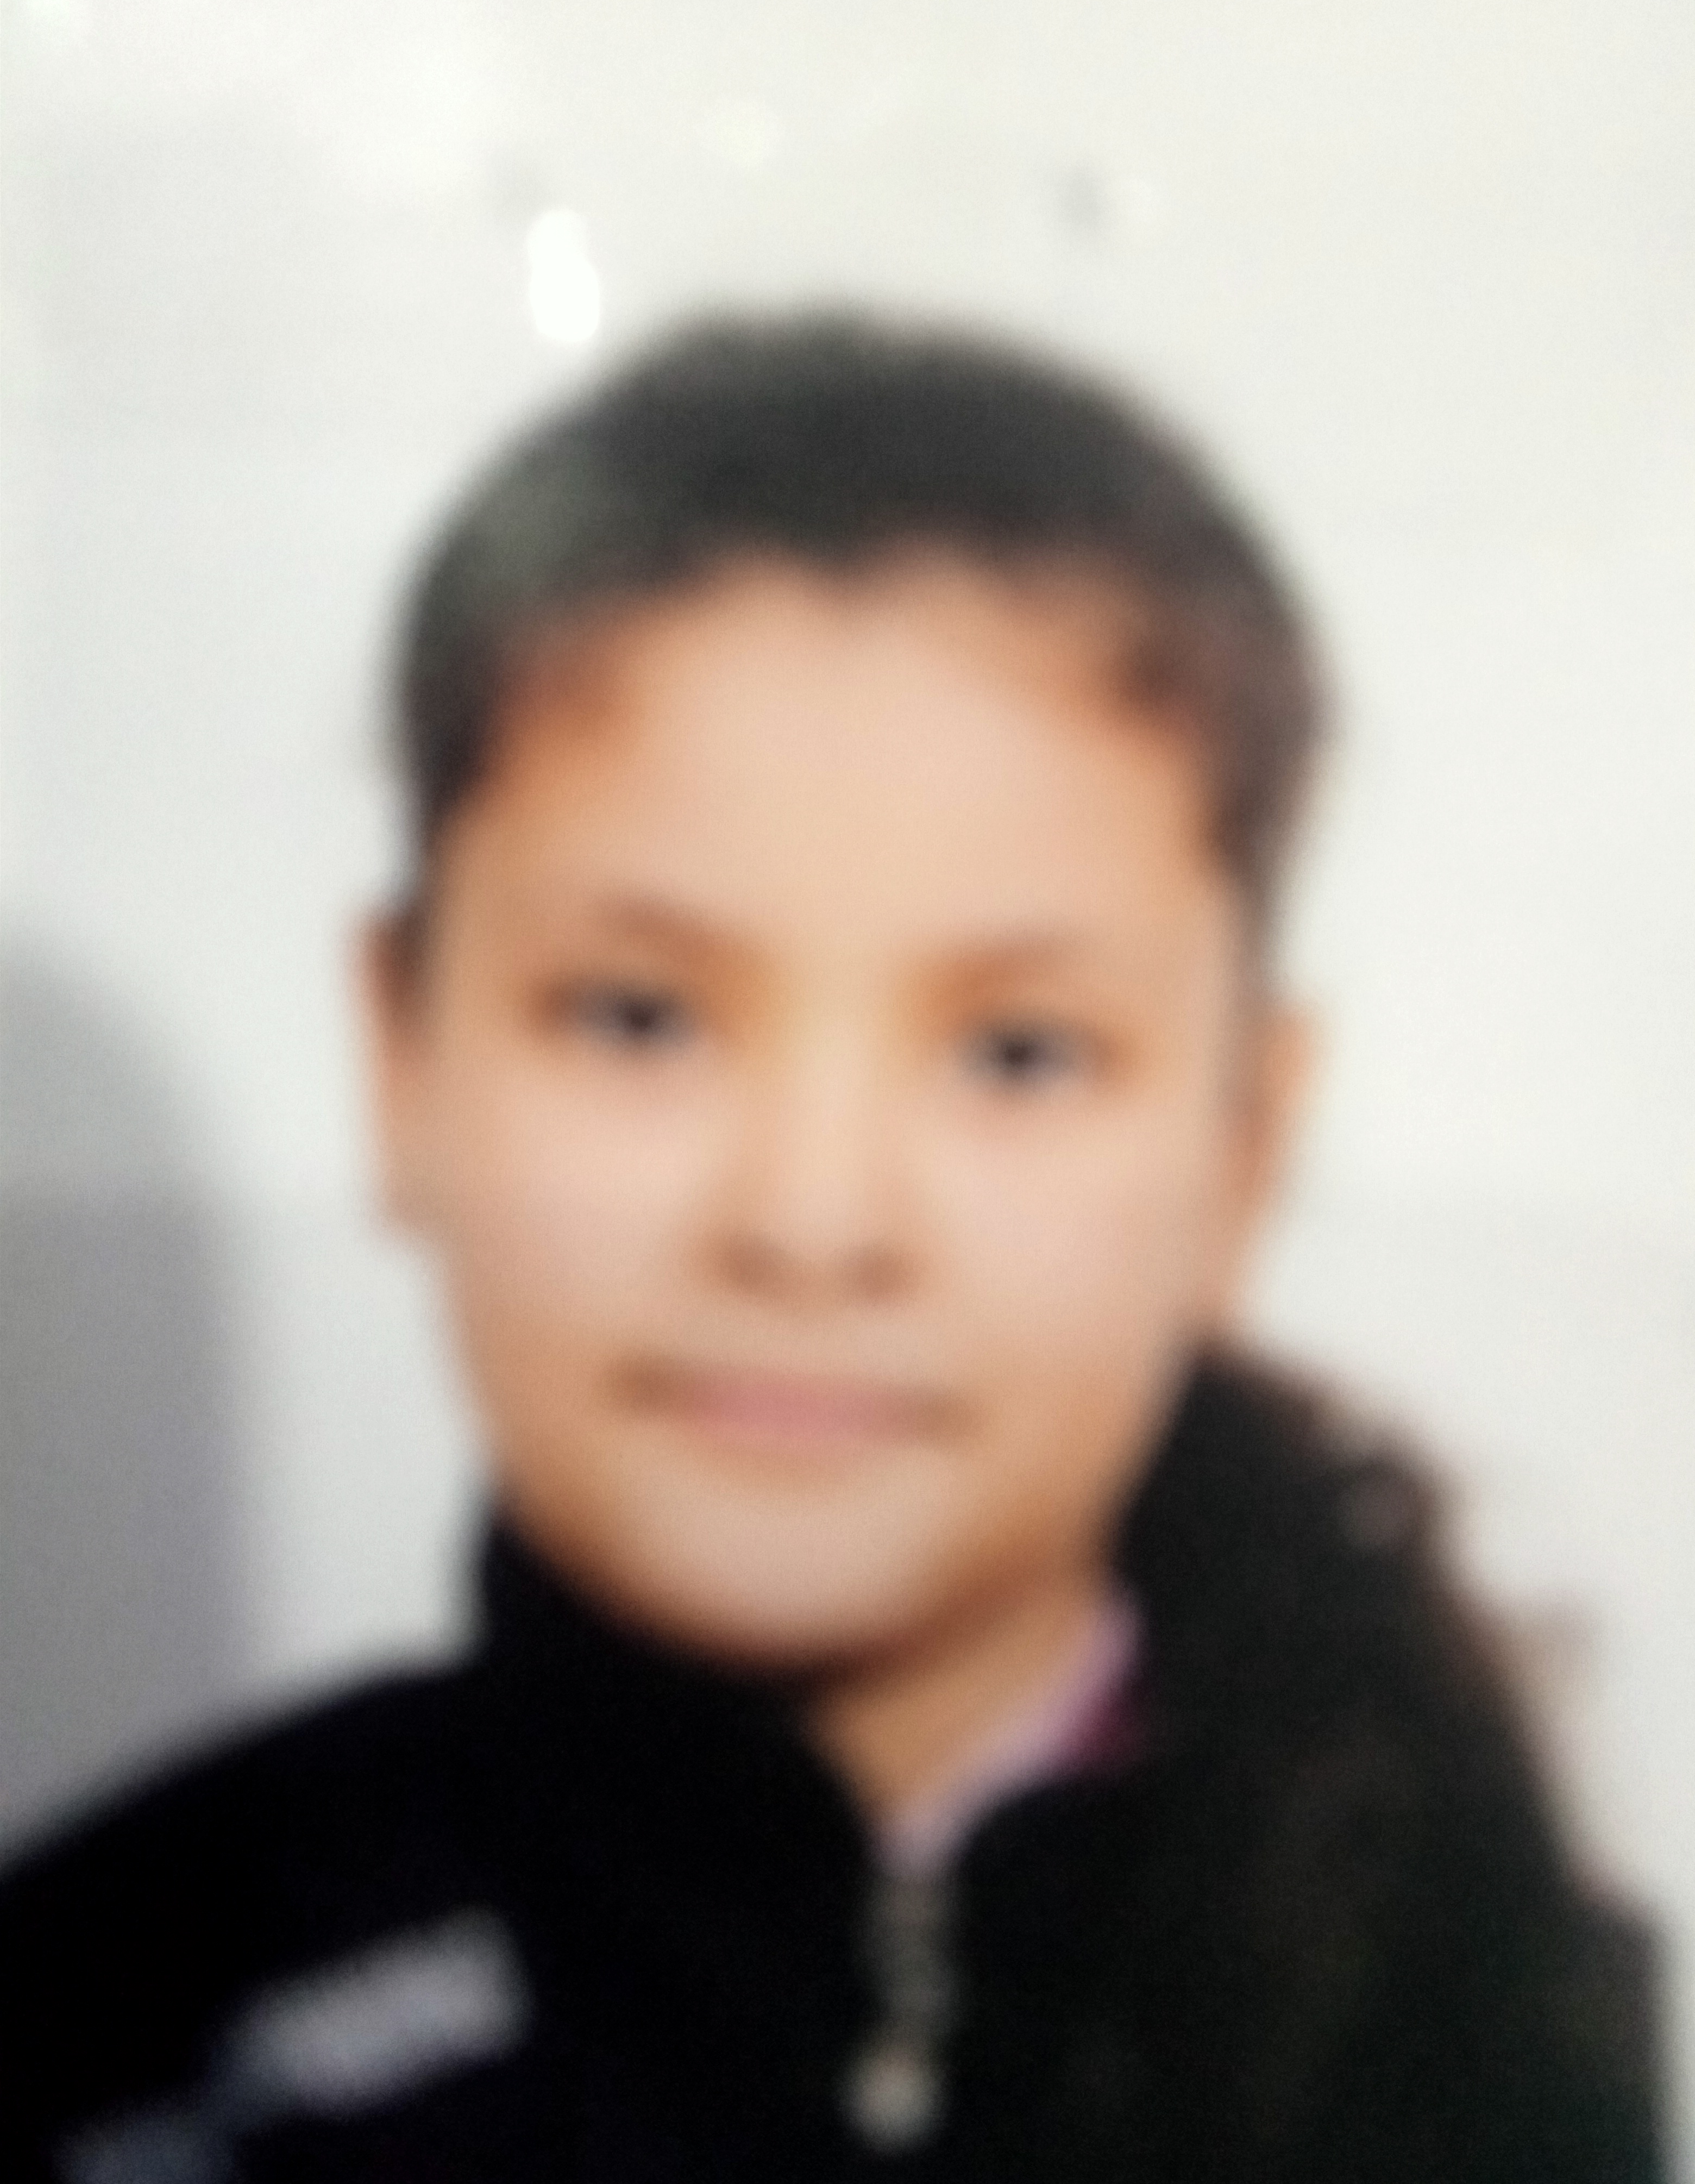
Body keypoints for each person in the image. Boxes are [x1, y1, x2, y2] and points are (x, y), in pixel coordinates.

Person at [0, 316, 1659, 2183]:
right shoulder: (111, 2035)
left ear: (1243, 1149)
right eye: (638, 1019)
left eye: (1019, 1054)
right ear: (402, 1063)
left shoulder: (1521, 2035)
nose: (810, 1225)